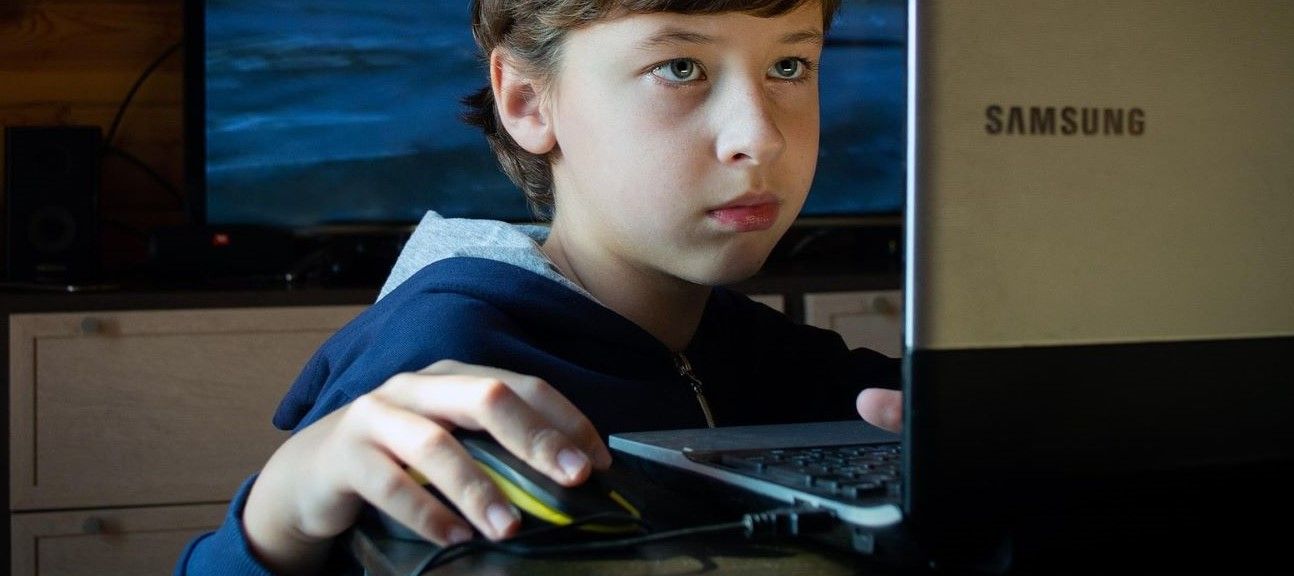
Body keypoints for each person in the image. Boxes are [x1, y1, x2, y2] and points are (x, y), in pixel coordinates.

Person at [175, 0, 904, 574]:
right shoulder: (440, 362)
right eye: (681, 67)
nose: (760, 137)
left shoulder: (780, 355)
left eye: (789, 66)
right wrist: (272, 525)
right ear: (527, 102)